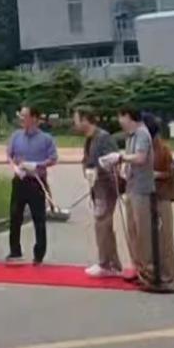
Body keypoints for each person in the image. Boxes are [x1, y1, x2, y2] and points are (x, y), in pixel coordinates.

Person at [103, 106, 156, 288]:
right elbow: (130, 160)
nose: (120, 122)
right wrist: (120, 166)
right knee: (133, 231)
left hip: (142, 188)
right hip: (132, 187)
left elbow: (140, 158)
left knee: (142, 231)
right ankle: (137, 267)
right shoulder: (130, 136)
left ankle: (148, 270)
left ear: (128, 117)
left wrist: (120, 158)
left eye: (121, 117)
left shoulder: (142, 134)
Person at [72, 106, 122, 278]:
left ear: (86, 119)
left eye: (77, 119)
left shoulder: (103, 138)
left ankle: (105, 263)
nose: (75, 123)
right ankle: (113, 263)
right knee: (103, 225)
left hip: (106, 186)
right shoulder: (90, 139)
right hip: (96, 186)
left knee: (102, 223)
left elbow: (114, 161)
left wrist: (98, 169)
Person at [6, 104, 58, 265]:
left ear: (34, 118)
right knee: (15, 216)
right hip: (20, 180)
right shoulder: (16, 136)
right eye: (21, 116)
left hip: (36, 181)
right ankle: (15, 251)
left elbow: (53, 159)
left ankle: (39, 254)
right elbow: (9, 154)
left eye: (25, 116)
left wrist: (37, 165)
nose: (22, 119)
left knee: (38, 218)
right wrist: (14, 167)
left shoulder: (46, 139)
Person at [149, 114, 174, 291]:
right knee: (152, 238)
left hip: (163, 195)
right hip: (149, 195)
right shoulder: (146, 146)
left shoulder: (163, 149)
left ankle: (168, 274)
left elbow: (171, 172)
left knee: (165, 237)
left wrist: (156, 175)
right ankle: (155, 271)